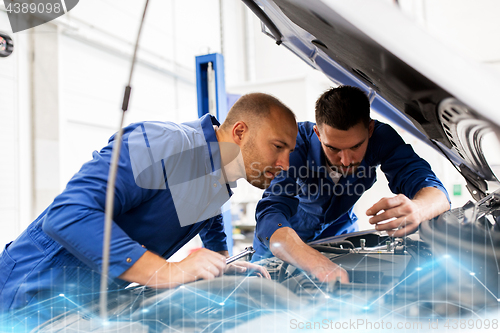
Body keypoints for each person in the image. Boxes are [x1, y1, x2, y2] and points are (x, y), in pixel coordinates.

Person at [0, 93, 298, 319]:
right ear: (240, 132)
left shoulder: (219, 175)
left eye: (290, 151)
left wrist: (221, 264)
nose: (285, 164)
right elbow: (67, 215)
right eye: (277, 147)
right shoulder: (163, 144)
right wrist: (167, 271)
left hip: (84, 302)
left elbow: (210, 216)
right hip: (30, 288)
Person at [253, 86, 450, 283]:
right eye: (333, 148)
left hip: (338, 239)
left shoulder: (381, 139)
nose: (346, 161)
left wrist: (418, 209)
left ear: (370, 130)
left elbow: (432, 189)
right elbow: (271, 212)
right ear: (318, 134)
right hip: (280, 246)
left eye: (356, 146)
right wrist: (313, 261)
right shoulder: (293, 144)